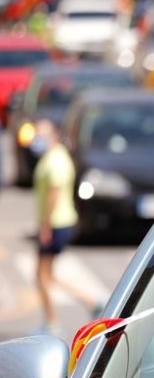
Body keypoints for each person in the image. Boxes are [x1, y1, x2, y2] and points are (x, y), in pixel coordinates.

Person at [32, 120, 99, 335]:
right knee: (48, 275)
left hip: (56, 222)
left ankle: (51, 322)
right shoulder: (57, 156)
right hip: (60, 221)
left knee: (41, 275)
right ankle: (91, 302)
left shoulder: (56, 160)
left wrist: (45, 226)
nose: (37, 138)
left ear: (53, 134)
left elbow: (54, 192)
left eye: (41, 133)